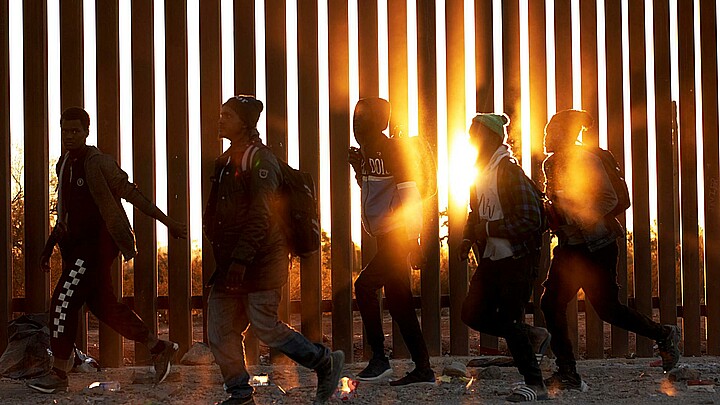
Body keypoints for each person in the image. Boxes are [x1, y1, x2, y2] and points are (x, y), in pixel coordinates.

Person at [27, 107, 188, 394]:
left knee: (63, 302)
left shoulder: (98, 162)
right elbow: (64, 214)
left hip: (96, 248)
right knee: (105, 308)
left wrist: (168, 222)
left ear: (87, 132)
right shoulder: (63, 164)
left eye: (76, 131)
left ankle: (58, 374)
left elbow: (131, 192)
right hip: (75, 249)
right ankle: (159, 347)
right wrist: (48, 247)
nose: (70, 135)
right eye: (65, 130)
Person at [204, 95, 344, 405]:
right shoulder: (227, 160)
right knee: (219, 329)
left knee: (265, 326)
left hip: (262, 260)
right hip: (232, 262)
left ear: (245, 123)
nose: (221, 119)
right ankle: (240, 394)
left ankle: (324, 361)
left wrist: (241, 258)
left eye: (227, 115)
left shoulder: (260, 160)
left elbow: (263, 214)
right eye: (221, 113)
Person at [540, 109, 681, 391]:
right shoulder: (552, 163)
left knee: (607, 309)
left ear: (565, 133)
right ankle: (567, 371)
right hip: (572, 245)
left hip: (597, 245)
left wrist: (574, 217)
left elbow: (609, 198)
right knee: (552, 302)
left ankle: (663, 333)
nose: (546, 136)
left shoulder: (585, 158)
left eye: (551, 130)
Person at [456, 113, 550, 402]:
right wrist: (469, 237)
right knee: (471, 313)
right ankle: (531, 334)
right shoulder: (481, 171)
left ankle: (536, 384)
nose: (472, 139)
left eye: (477, 133)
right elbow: (477, 211)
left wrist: (488, 229)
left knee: (509, 321)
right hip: (493, 258)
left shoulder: (508, 172)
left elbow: (530, 219)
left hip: (517, 259)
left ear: (493, 137)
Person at [348, 97, 435, 386]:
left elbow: (410, 197)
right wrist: (359, 172)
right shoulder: (370, 152)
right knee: (400, 304)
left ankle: (379, 361)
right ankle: (423, 369)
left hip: (400, 237)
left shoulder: (393, 150)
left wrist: (415, 239)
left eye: (362, 118)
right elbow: (378, 192)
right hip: (388, 236)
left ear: (379, 122)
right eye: (355, 118)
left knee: (364, 286)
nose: (356, 123)